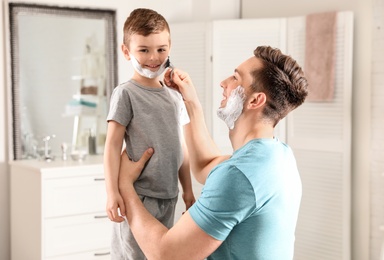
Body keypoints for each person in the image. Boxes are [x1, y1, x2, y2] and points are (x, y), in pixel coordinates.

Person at [118, 45, 309, 259]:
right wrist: (189, 101)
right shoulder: (279, 155)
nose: (224, 83)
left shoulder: (238, 176)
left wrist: (125, 186)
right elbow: (204, 165)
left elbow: (166, 254)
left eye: (235, 78)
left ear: (256, 100)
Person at [104, 8, 196, 259]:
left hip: (170, 196)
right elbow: (112, 146)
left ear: (170, 46)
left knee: (161, 255)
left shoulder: (174, 94)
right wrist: (112, 192)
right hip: (138, 196)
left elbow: (181, 147)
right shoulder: (126, 94)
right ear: (126, 52)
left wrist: (187, 190)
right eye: (143, 50)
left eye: (161, 49)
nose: (154, 57)